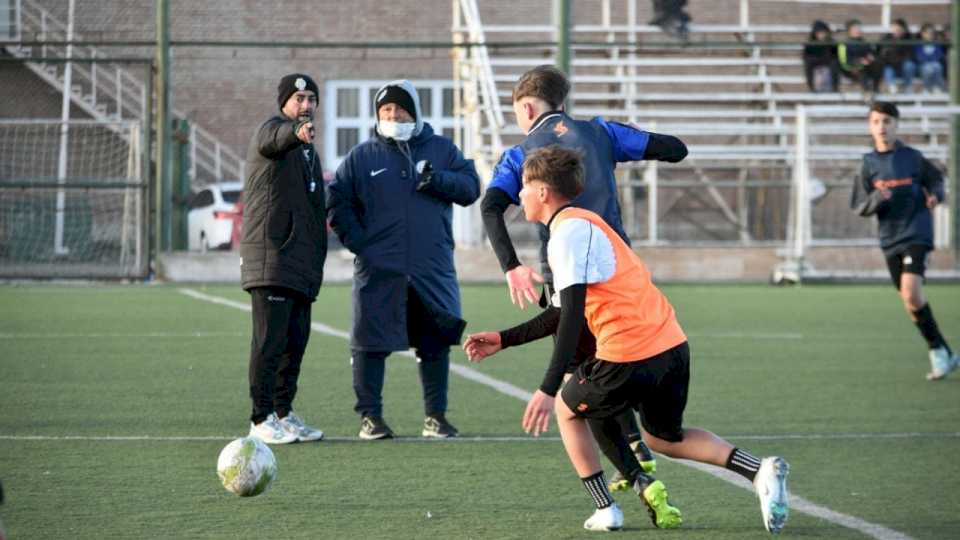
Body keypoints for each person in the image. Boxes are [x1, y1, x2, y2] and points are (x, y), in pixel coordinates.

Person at [471, 145, 790, 533]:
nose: (518, 195)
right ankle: (758, 470)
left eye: (523, 186)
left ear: (542, 192)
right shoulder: (586, 223)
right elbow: (561, 312)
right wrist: (504, 339)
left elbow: (571, 316)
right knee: (664, 438)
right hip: (671, 345)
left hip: (629, 352)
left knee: (567, 410)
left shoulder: (566, 235)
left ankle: (606, 509)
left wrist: (547, 388)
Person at [481, 64, 687, 490]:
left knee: (581, 383)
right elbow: (674, 148)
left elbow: (490, 207)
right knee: (615, 360)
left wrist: (512, 266)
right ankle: (638, 446)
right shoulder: (602, 133)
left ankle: (630, 472)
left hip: (567, 276)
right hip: (619, 272)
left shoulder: (523, 155)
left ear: (527, 105)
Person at [327, 80, 480, 440]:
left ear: (414, 112)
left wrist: (437, 179)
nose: (393, 116)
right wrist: (360, 243)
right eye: (386, 111)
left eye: (400, 109)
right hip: (379, 268)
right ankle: (370, 418)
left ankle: (436, 417)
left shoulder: (442, 149)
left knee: (434, 340)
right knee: (370, 342)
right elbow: (337, 202)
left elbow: (471, 188)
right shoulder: (362, 156)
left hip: (431, 267)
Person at [240, 73, 328, 444]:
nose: (305, 105)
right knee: (270, 342)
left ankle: (283, 412)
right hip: (271, 258)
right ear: (284, 103)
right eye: (298, 98)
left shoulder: (310, 152)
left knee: (295, 342)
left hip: (300, 264)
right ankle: (260, 418)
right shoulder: (272, 132)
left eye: (311, 99)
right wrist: (294, 134)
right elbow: (275, 140)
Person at [850, 101, 959, 380]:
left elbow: (936, 180)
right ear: (870, 126)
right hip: (889, 238)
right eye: (876, 122)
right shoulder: (868, 164)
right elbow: (859, 206)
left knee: (911, 292)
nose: (882, 127)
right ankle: (944, 352)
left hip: (917, 232)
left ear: (896, 125)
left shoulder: (913, 157)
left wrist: (936, 194)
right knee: (911, 302)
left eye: (887, 121)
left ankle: (937, 353)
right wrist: (877, 198)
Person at [838, 19, 881, 93]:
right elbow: (844, 61)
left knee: (878, 62)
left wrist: (870, 58)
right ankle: (867, 92)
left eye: (859, 28)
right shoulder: (843, 44)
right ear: (849, 31)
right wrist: (859, 61)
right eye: (855, 29)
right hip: (850, 70)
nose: (858, 30)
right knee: (862, 70)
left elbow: (871, 54)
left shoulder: (865, 43)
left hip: (866, 67)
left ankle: (875, 88)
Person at [879, 19, 917, 93]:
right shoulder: (886, 39)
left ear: (903, 29)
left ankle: (908, 87)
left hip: (903, 67)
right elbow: (883, 55)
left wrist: (897, 60)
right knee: (887, 69)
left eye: (899, 29)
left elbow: (910, 55)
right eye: (894, 28)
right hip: (891, 66)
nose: (896, 31)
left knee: (909, 65)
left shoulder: (909, 39)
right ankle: (892, 88)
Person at [803, 20, 840, 93]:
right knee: (809, 64)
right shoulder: (810, 43)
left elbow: (835, 54)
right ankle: (812, 87)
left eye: (823, 32)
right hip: (815, 64)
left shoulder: (831, 41)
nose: (821, 34)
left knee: (834, 63)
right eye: (819, 32)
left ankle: (835, 88)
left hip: (828, 63)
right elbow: (806, 56)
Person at [914, 23, 947, 92]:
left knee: (937, 66)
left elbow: (939, 55)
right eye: (927, 33)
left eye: (932, 33)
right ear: (922, 34)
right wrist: (930, 59)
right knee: (928, 68)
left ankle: (936, 87)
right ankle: (928, 88)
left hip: (935, 65)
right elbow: (919, 57)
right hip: (922, 67)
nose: (930, 35)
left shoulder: (937, 44)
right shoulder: (918, 44)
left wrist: (930, 59)